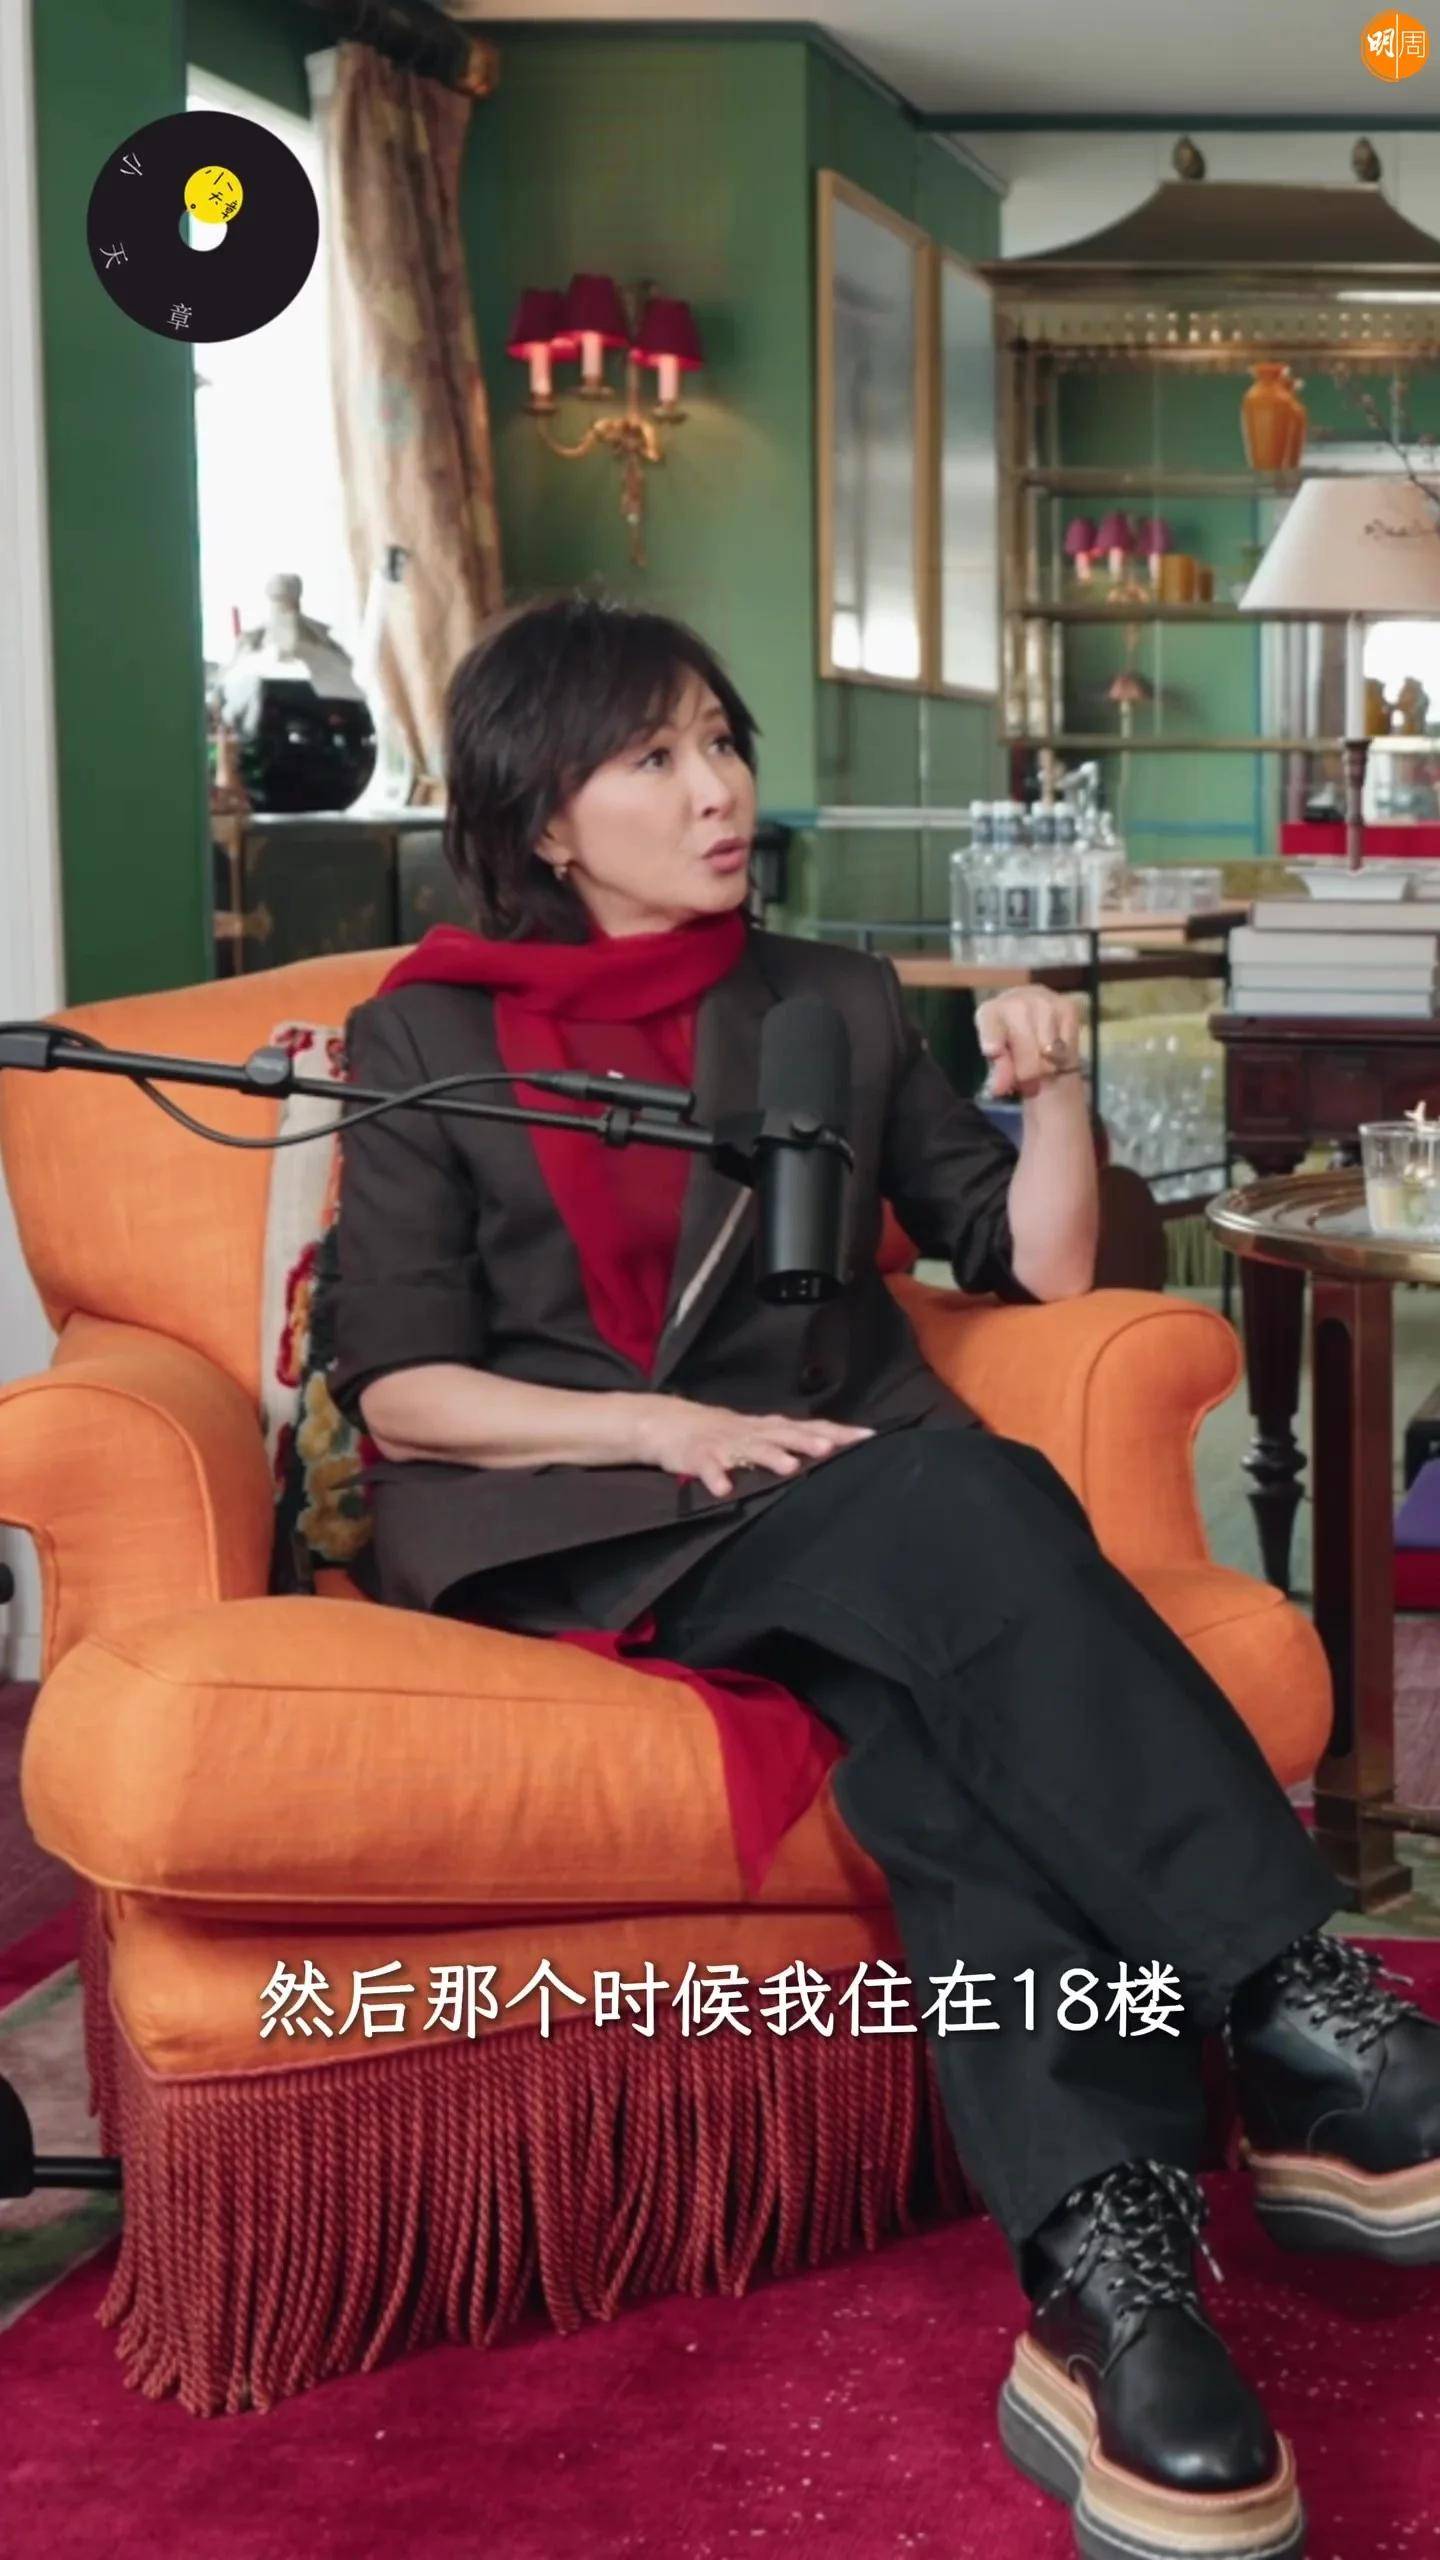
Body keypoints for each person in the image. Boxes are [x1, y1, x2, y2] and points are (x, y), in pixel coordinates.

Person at [327, 594, 1440, 2560]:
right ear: (545, 815)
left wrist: (1054, 1084)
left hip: (844, 1495)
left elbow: (1037, 1265)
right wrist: (661, 1429)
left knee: (944, 1754)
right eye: (656, 755)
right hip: (587, 1510)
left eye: (722, 740)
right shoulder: (422, 1033)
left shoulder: (829, 1000)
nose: (718, 787)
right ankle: (1290, 1999)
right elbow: (400, 1387)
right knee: (965, 1498)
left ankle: (1117, 2293)